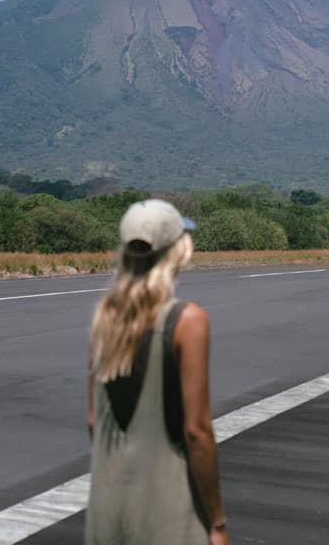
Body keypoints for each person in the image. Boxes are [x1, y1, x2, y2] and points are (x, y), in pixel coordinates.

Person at [86, 198, 230, 545]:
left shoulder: (104, 318)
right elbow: (197, 432)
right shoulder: (187, 321)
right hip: (167, 513)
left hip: (106, 513)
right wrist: (217, 522)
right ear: (177, 251)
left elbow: (94, 421)